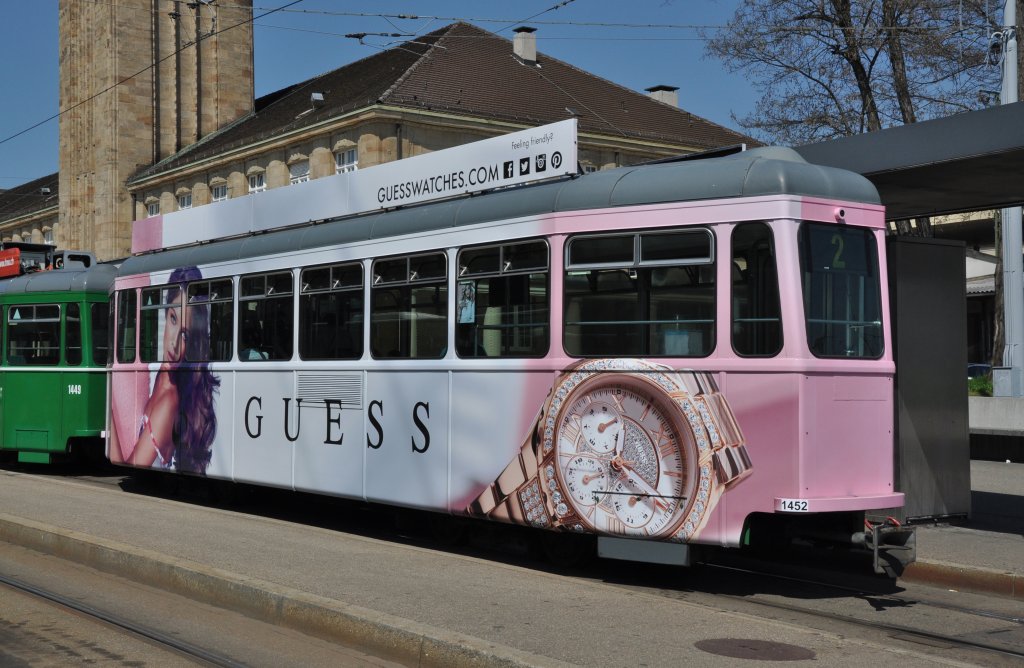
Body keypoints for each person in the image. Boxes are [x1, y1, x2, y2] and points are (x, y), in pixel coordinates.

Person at [110, 266, 220, 474]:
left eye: (185, 335)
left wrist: (111, 406)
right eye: (173, 319)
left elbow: (129, 462)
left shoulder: (169, 401)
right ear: (164, 313)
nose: (174, 343)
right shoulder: (163, 380)